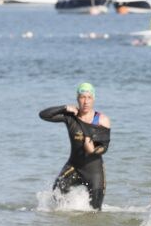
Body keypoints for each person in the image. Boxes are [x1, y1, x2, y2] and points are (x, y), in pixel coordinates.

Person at [39, 82, 111, 211]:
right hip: (74, 167)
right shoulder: (70, 118)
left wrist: (93, 150)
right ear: (77, 99)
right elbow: (43, 115)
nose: (86, 101)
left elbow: (104, 147)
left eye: (89, 97)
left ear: (93, 99)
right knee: (56, 195)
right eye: (82, 97)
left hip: (94, 171)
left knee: (95, 211)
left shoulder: (101, 120)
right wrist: (64, 108)